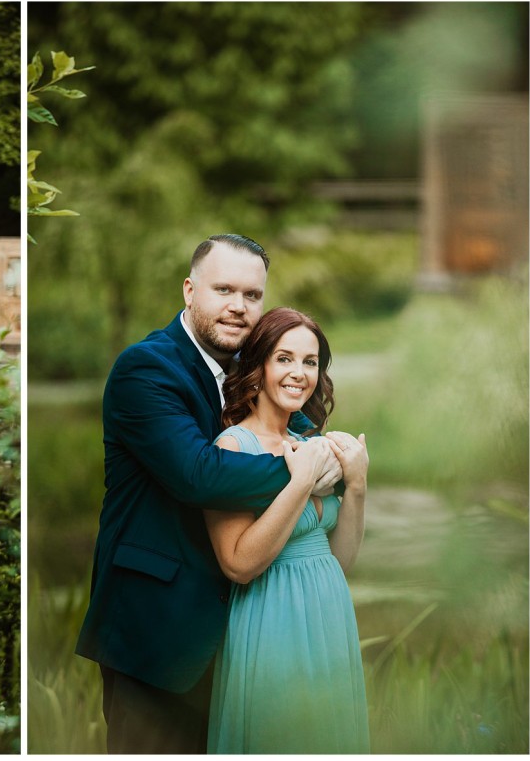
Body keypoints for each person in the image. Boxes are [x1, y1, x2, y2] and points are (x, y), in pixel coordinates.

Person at [74, 234, 344, 754]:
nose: (238, 307)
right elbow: (197, 474)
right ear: (190, 290)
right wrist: (308, 473)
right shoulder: (147, 369)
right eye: (224, 289)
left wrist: (330, 463)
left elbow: (303, 437)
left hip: (250, 635)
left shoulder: (260, 366)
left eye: (251, 294)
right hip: (160, 629)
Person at [205, 307, 369, 753]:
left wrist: (356, 485)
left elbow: (339, 560)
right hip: (271, 619)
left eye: (310, 361)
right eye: (285, 358)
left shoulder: (312, 442)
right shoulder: (234, 446)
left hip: (329, 613)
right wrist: (299, 482)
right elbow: (238, 564)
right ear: (257, 367)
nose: (299, 373)